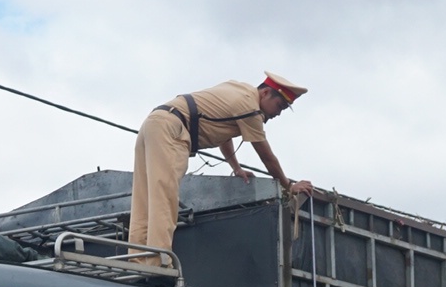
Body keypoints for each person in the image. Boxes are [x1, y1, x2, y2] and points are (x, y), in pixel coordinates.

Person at [129, 73, 314, 260]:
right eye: (279, 106)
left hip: (155, 122)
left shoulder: (238, 89)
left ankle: (137, 259)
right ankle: (157, 262)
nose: (278, 113)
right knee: (164, 198)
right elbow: (267, 157)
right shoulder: (251, 109)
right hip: (173, 130)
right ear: (265, 93)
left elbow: (224, 133)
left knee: (143, 199)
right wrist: (288, 186)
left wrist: (236, 167)